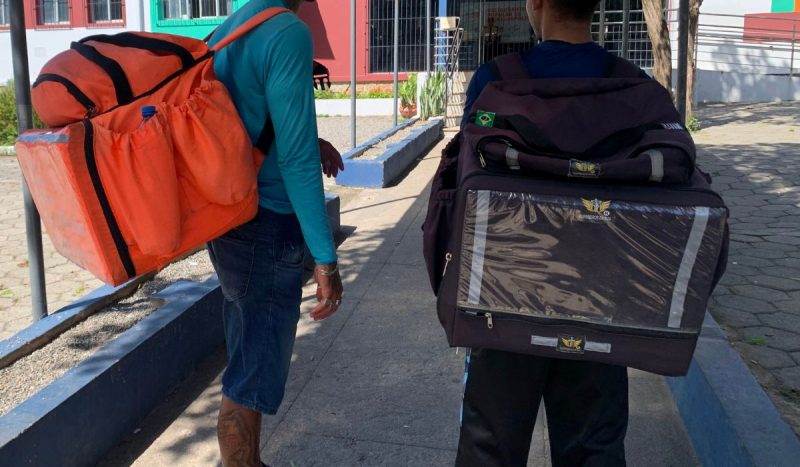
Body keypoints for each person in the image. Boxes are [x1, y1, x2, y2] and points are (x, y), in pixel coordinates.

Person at [456, 1, 648, 465]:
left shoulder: (495, 80)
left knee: (491, 446)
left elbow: (466, 184)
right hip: (600, 299)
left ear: (536, 3)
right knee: (593, 447)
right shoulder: (634, 85)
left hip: (506, 298)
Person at [205, 1, 344, 466]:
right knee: (252, 372)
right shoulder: (287, 31)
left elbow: (249, 125)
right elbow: (298, 163)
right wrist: (326, 259)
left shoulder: (230, 29)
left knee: (250, 357)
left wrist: (311, 138)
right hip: (268, 227)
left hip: (232, 222)